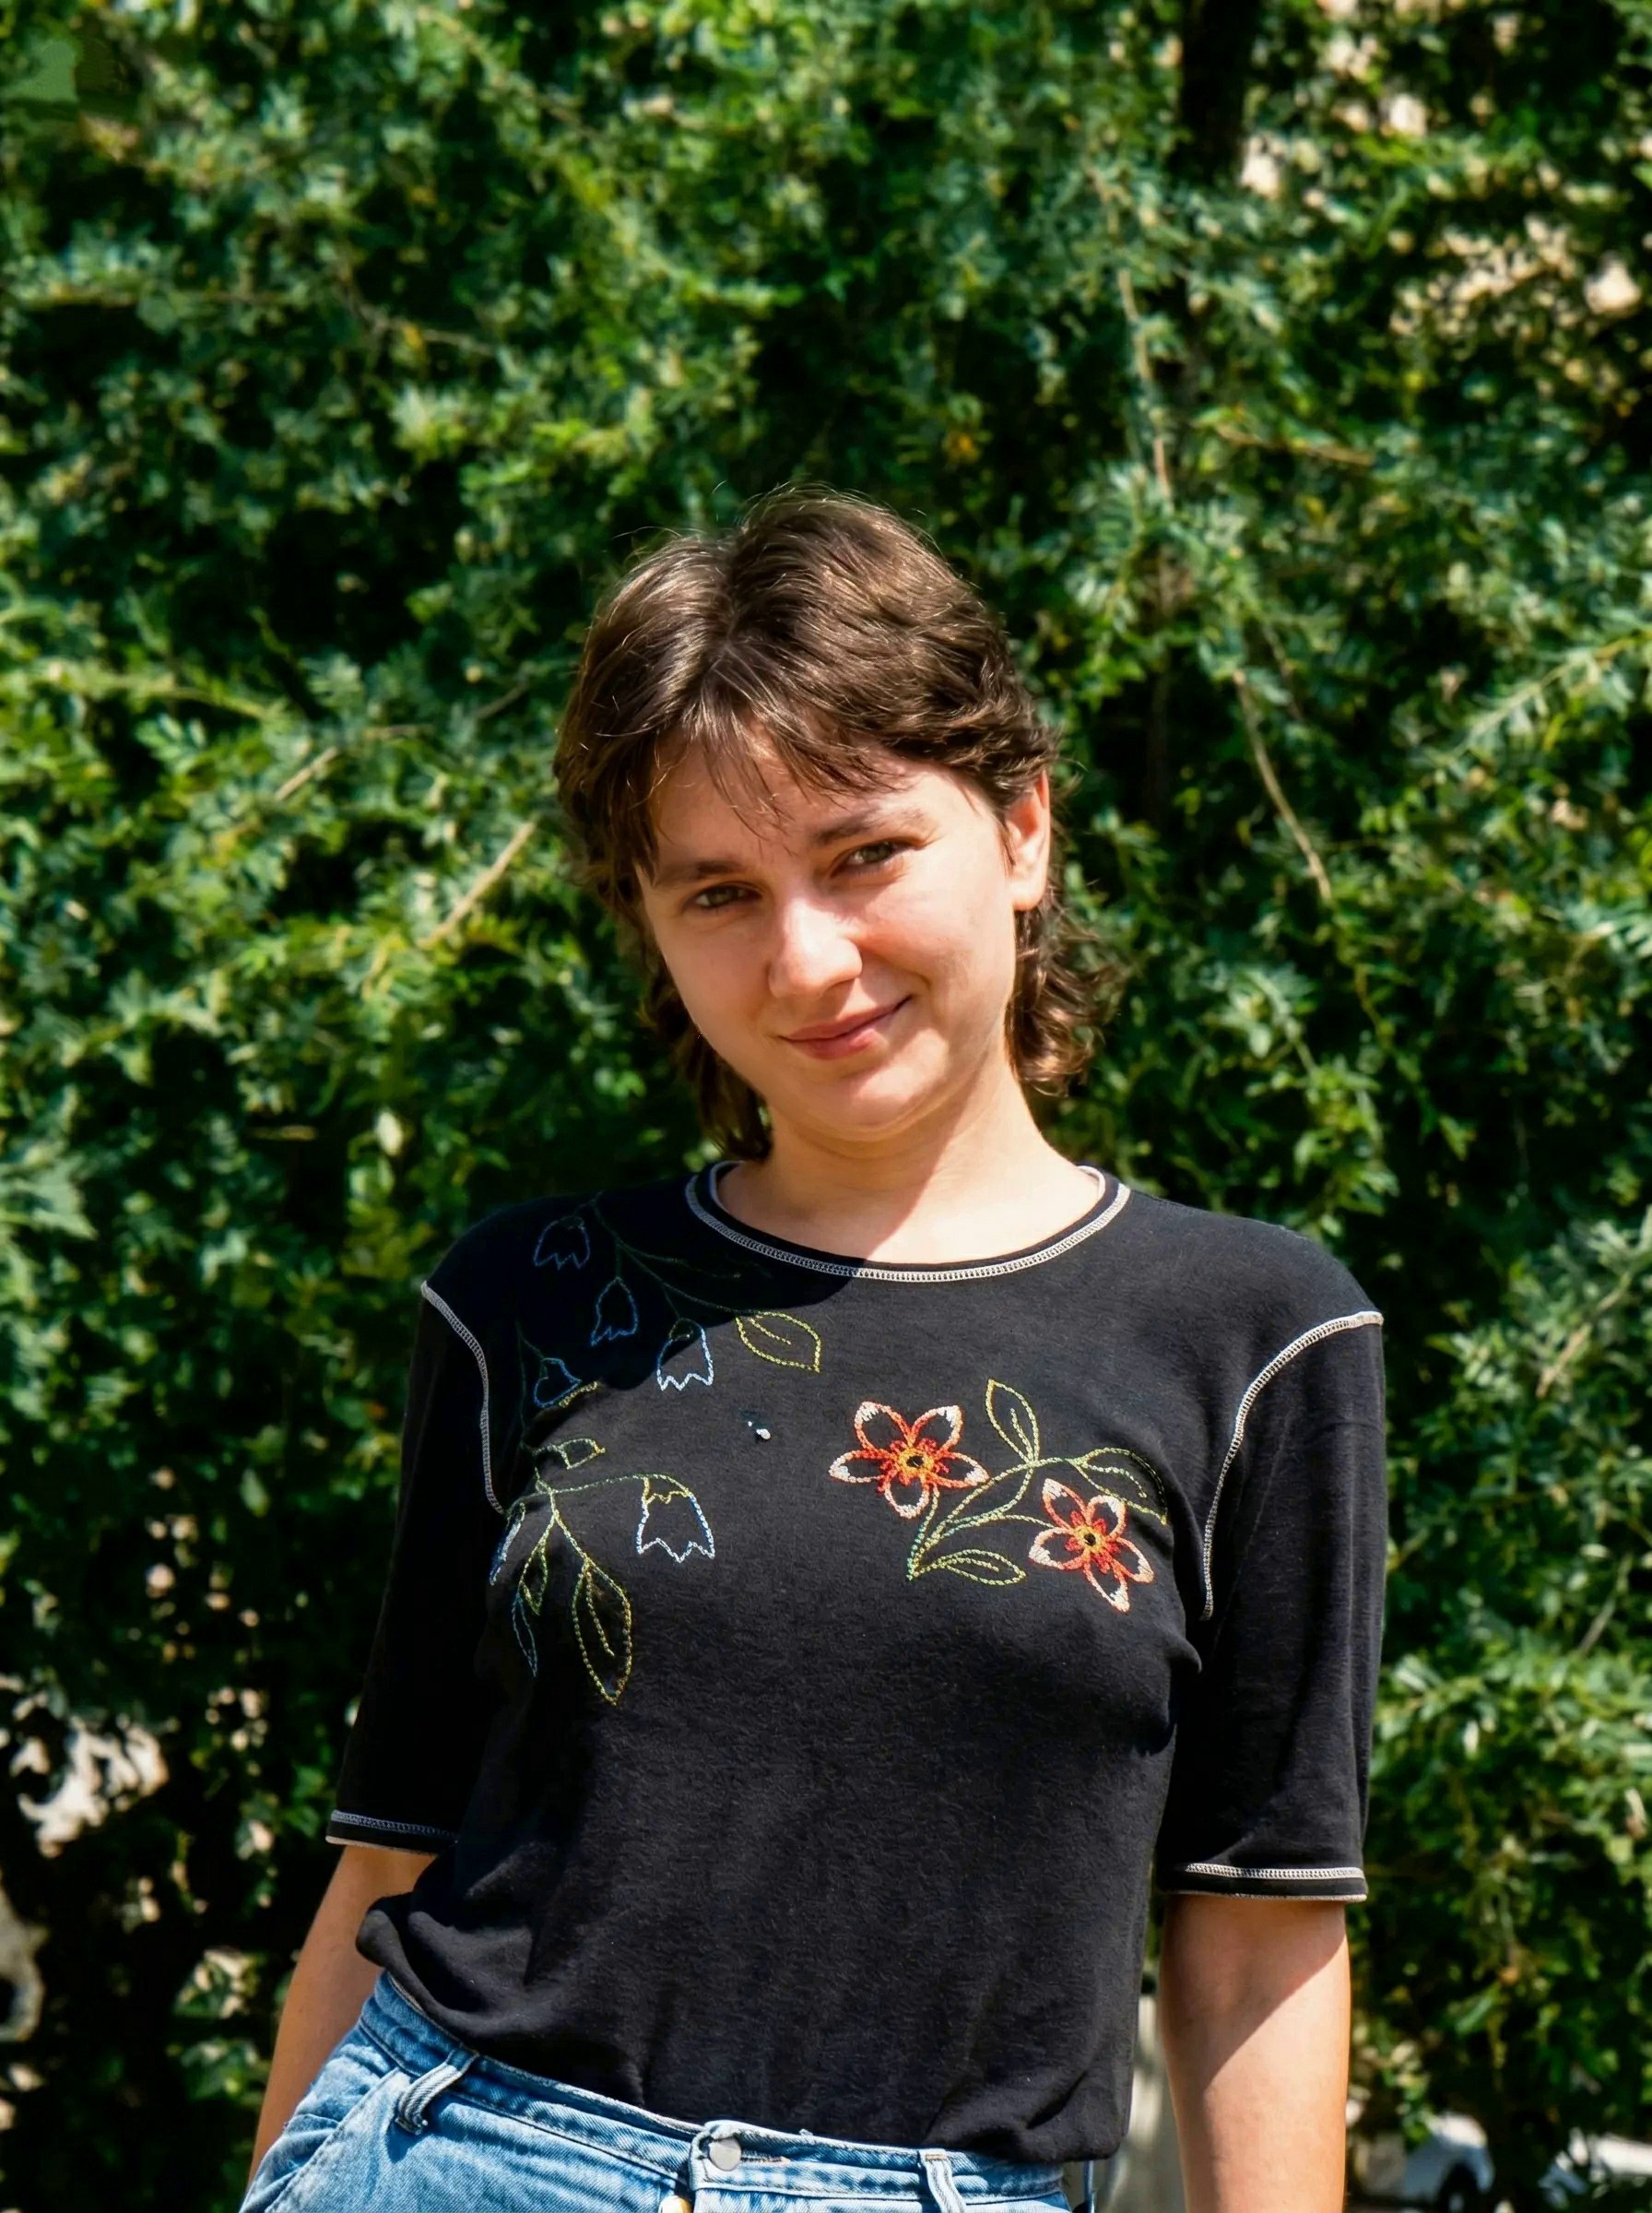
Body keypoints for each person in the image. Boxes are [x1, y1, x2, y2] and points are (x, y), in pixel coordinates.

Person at [241, 487, 1387, 2213]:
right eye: (720, 890)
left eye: (864, 854)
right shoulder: (529, 1299)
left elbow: (1257, 1945)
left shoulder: (1258, 1342)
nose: (806, 959)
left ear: (1022, 831)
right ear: (650, 926)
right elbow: (386, 1858)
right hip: (452, 2154)